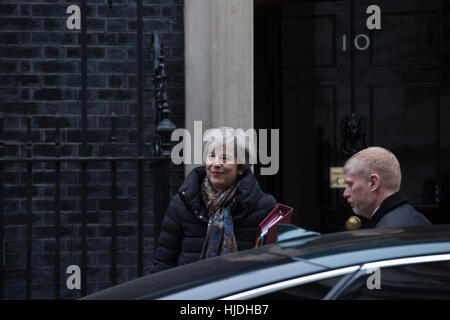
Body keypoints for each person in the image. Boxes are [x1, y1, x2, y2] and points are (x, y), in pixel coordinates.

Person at [150, 127, 277, 273]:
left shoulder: (264, 207)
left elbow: (271, 265)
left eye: (225, 158)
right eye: (211, 156)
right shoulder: (182, 204)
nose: (216, 163)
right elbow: (164, 262)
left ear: (241, 167)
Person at [343, 146, 431, 229]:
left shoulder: (387, 232)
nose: (345, 194)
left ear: (373, 183)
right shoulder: (411, 217)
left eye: (350, 184)